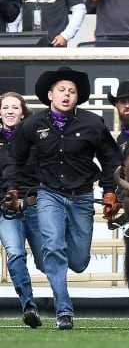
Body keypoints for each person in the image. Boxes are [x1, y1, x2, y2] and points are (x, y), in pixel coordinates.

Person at [3, 67, 121, 331]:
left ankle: (61, 250)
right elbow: (14, 158)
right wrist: (12, 188)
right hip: (48, 194)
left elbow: (111, 159)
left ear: (77, 97)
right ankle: (63, 311)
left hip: (82, 196)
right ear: (50, 94)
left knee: (78, 261)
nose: (66, 95)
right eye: (61, 91)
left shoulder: (92, 123)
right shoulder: (32, 125)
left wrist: (111, 191)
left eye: (71, 91)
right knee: (54, 249)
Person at [0, 92, 43, 328]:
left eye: (14, 107)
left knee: (47, 260)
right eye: (5, 107)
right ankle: (29, 305)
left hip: (34, 206)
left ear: (23, 112)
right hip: (5, 210)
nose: (9, 111)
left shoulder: (35, 139)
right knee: (15, 253)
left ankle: (62, 307)